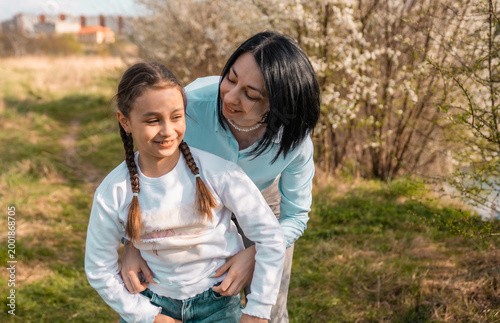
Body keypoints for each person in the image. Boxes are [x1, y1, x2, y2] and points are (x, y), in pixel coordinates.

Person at [121, 31, 321, 322]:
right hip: (197, 202)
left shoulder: (295, 140)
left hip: (263, 206)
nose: (230, 96)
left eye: (251, 94)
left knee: (269, 308)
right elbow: (144, 162)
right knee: (187, 293)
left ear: (278, 105)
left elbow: (296, 216)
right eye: (231, 78)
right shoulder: (192, 105)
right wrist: (132, 245)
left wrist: (256, 254)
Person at [84, 62, 286, 323]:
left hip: (218, 305)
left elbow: (270, 236)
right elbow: (99, 268)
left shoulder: (218, 173)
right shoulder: (113, 191)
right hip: (151, 304)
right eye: (153, 120)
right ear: (125, 121)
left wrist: (257, 310)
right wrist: (147, 316)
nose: (168, 131)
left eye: (176, 117)